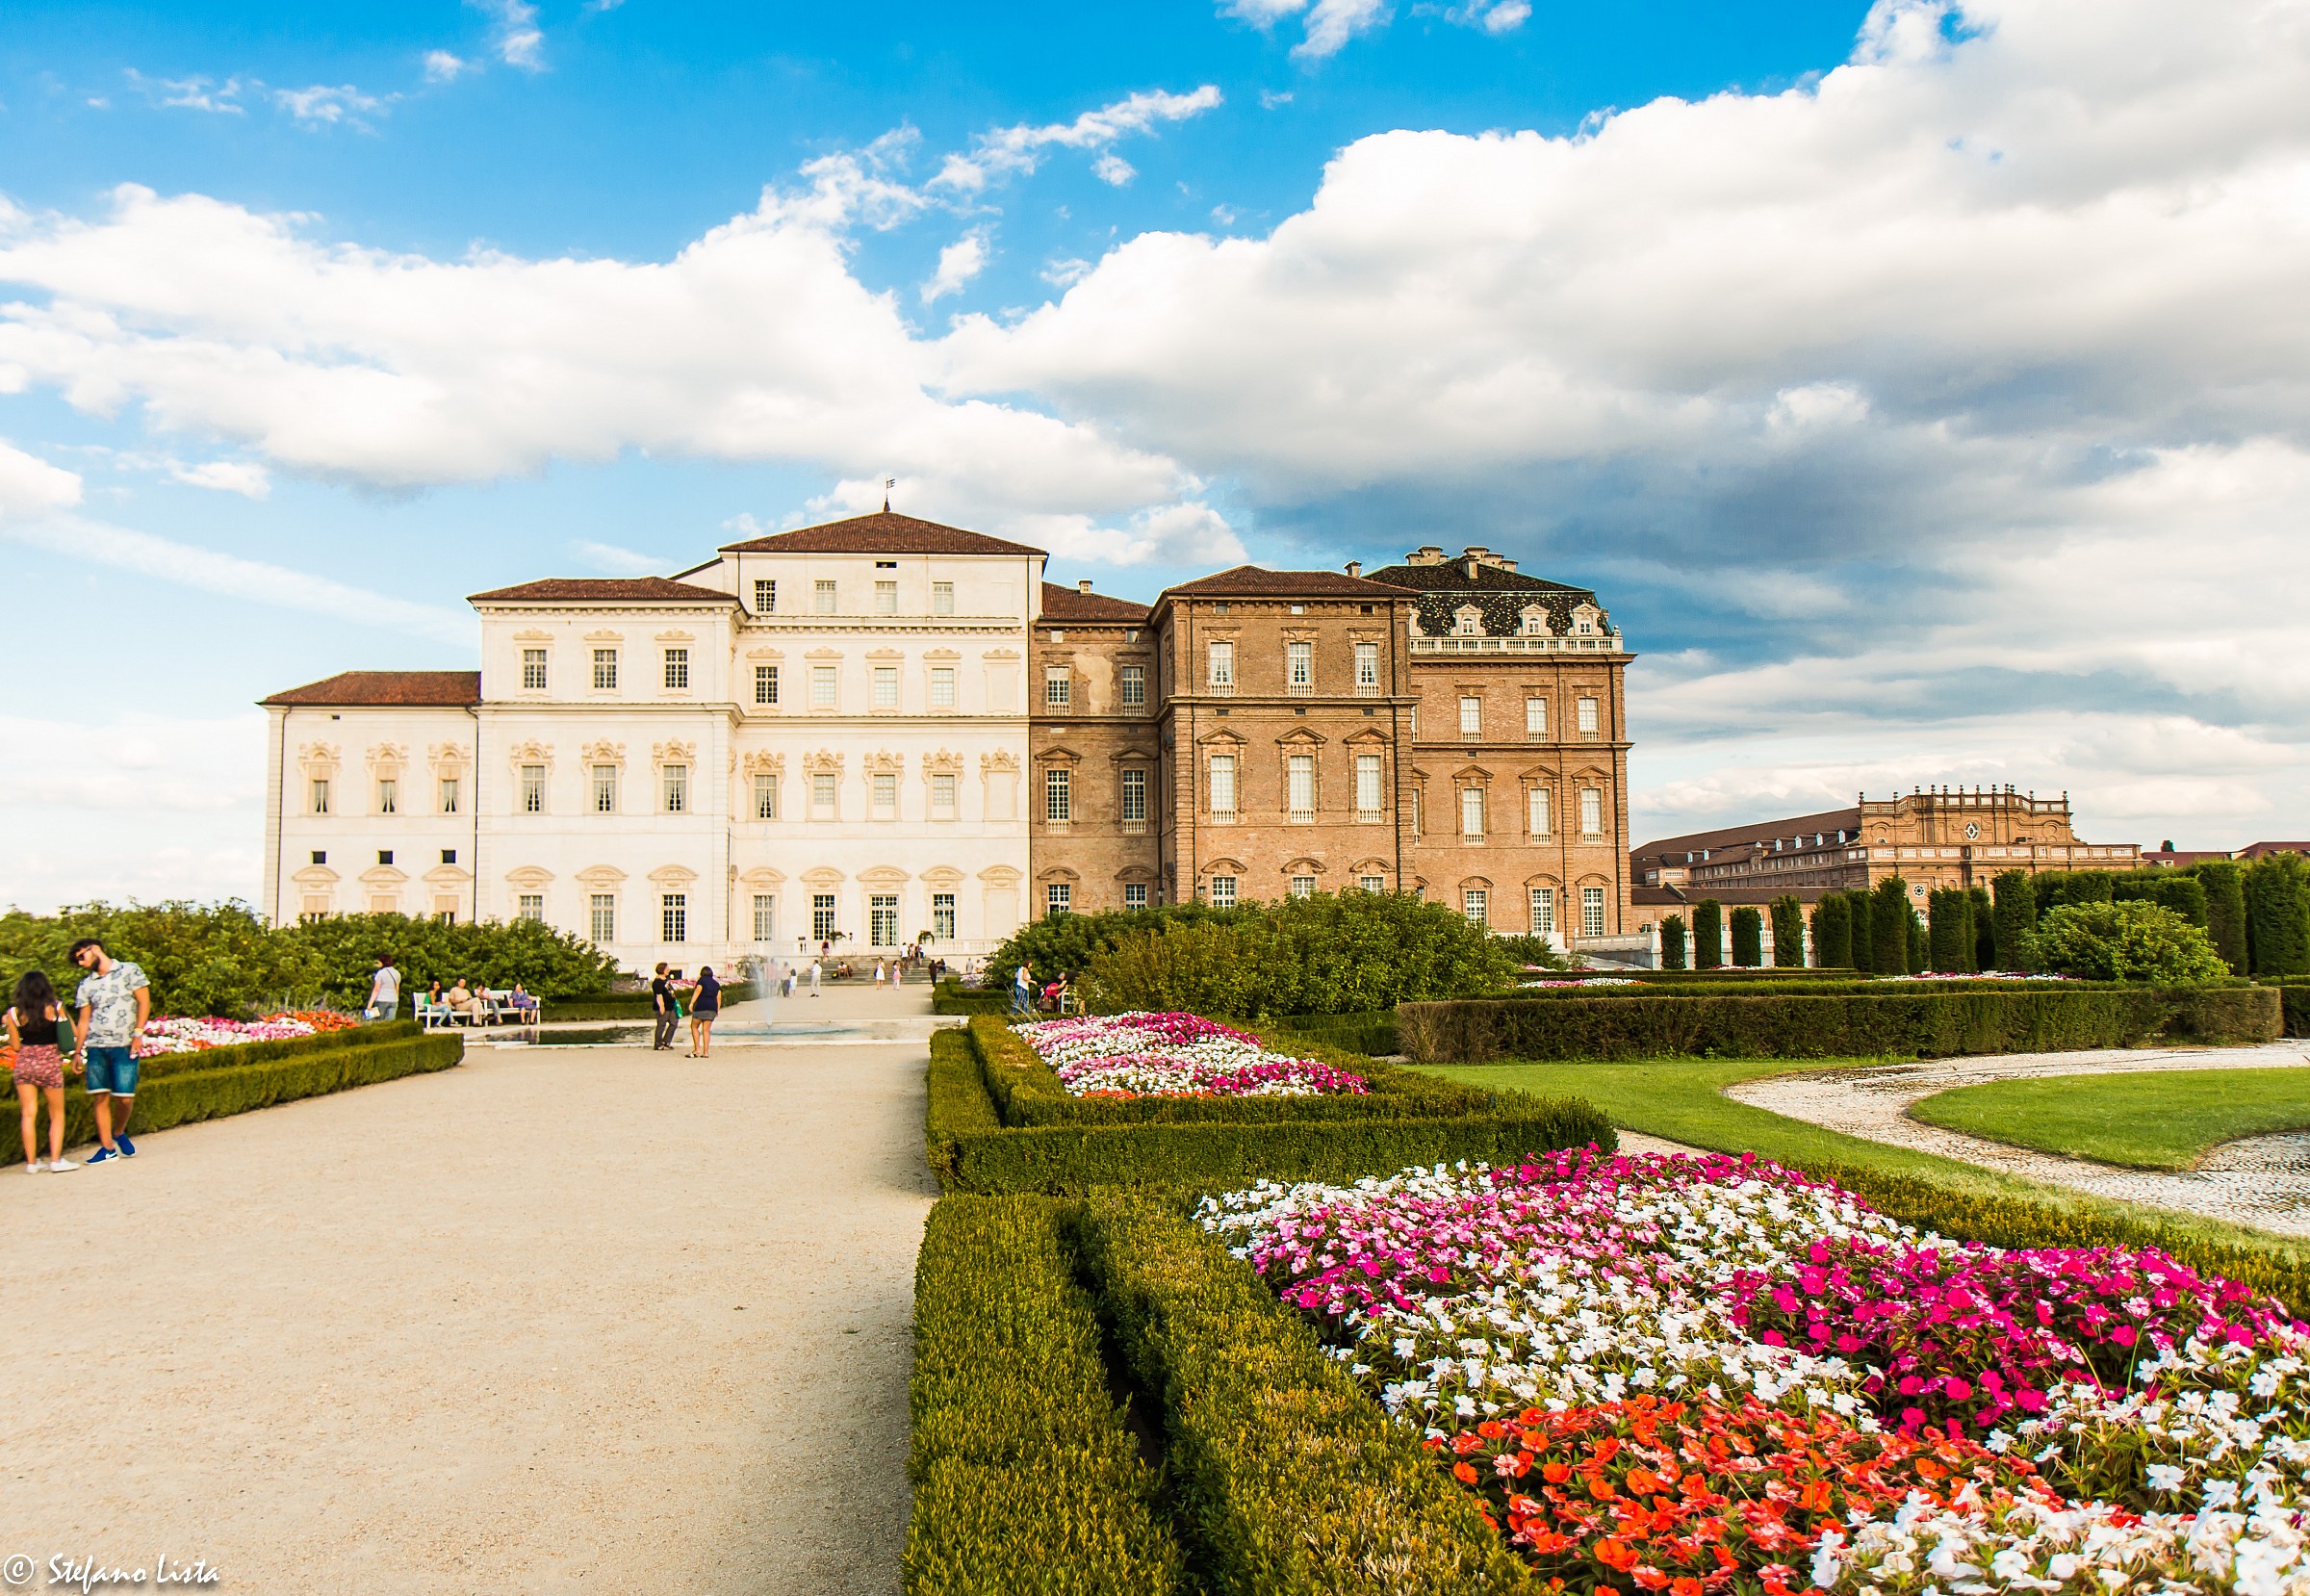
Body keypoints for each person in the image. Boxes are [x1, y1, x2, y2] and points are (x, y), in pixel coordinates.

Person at [70, 938, 149, 1164]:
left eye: (81, 957)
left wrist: (138, 1032)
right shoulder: (86, 985)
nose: (81, 963)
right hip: (97, 1045)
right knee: (100, 1097)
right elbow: (84, 1020)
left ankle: (118, 1132)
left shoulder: (129, 970)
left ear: (94, 949)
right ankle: (107, 1148)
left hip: (125, 1043)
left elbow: (144, 1002)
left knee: (124, 1098)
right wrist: (77, 1052)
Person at [9, 970, 79, 1172]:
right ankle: (55, 1160)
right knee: (56, 1113)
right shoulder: (56, 1007)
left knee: (28, 1114)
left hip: (25, 1064)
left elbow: (14, 1046)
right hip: (50, 1063)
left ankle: (31, 1163)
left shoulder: (14, 1014)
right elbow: (71, 1034)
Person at [690, 965, 721, 1058]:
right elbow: (718, 997)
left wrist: (691, 1003)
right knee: (706, 1030)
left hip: (701, 1006)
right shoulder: (716, 984)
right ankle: (706, 1052)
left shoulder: (701, 981)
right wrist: (717, 1010)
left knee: (694, 1027)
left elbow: (698, 991)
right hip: (712, 1007)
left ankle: (697, 1049)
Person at [366, 954, 401, 1022]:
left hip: (381, 1000)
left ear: (383, 962)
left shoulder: (380, 974)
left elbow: (376, 989)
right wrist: (396, 999)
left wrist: (370, 1004)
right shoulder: (397, 973)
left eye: (379, 962)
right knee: (390, 1022)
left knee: (379, 1022)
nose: (378, 963)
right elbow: (397, 989)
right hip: (393, 1000)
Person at [651, 963, 677, 1051]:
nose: (669, 970)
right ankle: (657, 1044)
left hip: (671, 1006)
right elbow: (659, 995)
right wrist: (662, 1006)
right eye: (667, 969)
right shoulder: (658, 982)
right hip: (664, 1006)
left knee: (674, 1023)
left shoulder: (666, 980)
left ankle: (666, 1041)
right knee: (661, 1025)